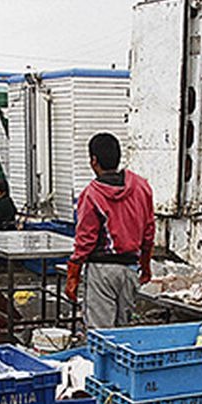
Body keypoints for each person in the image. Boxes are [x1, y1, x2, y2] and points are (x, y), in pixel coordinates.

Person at [65, 133, 155, 329]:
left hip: (102, 271)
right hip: (131, 270)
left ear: (94, 160)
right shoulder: (141, 187)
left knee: (101, 334)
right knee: (124, 333)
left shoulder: (91, 194)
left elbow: (85, 240)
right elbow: (149, 233)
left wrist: (73, 274)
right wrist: (146, 266)